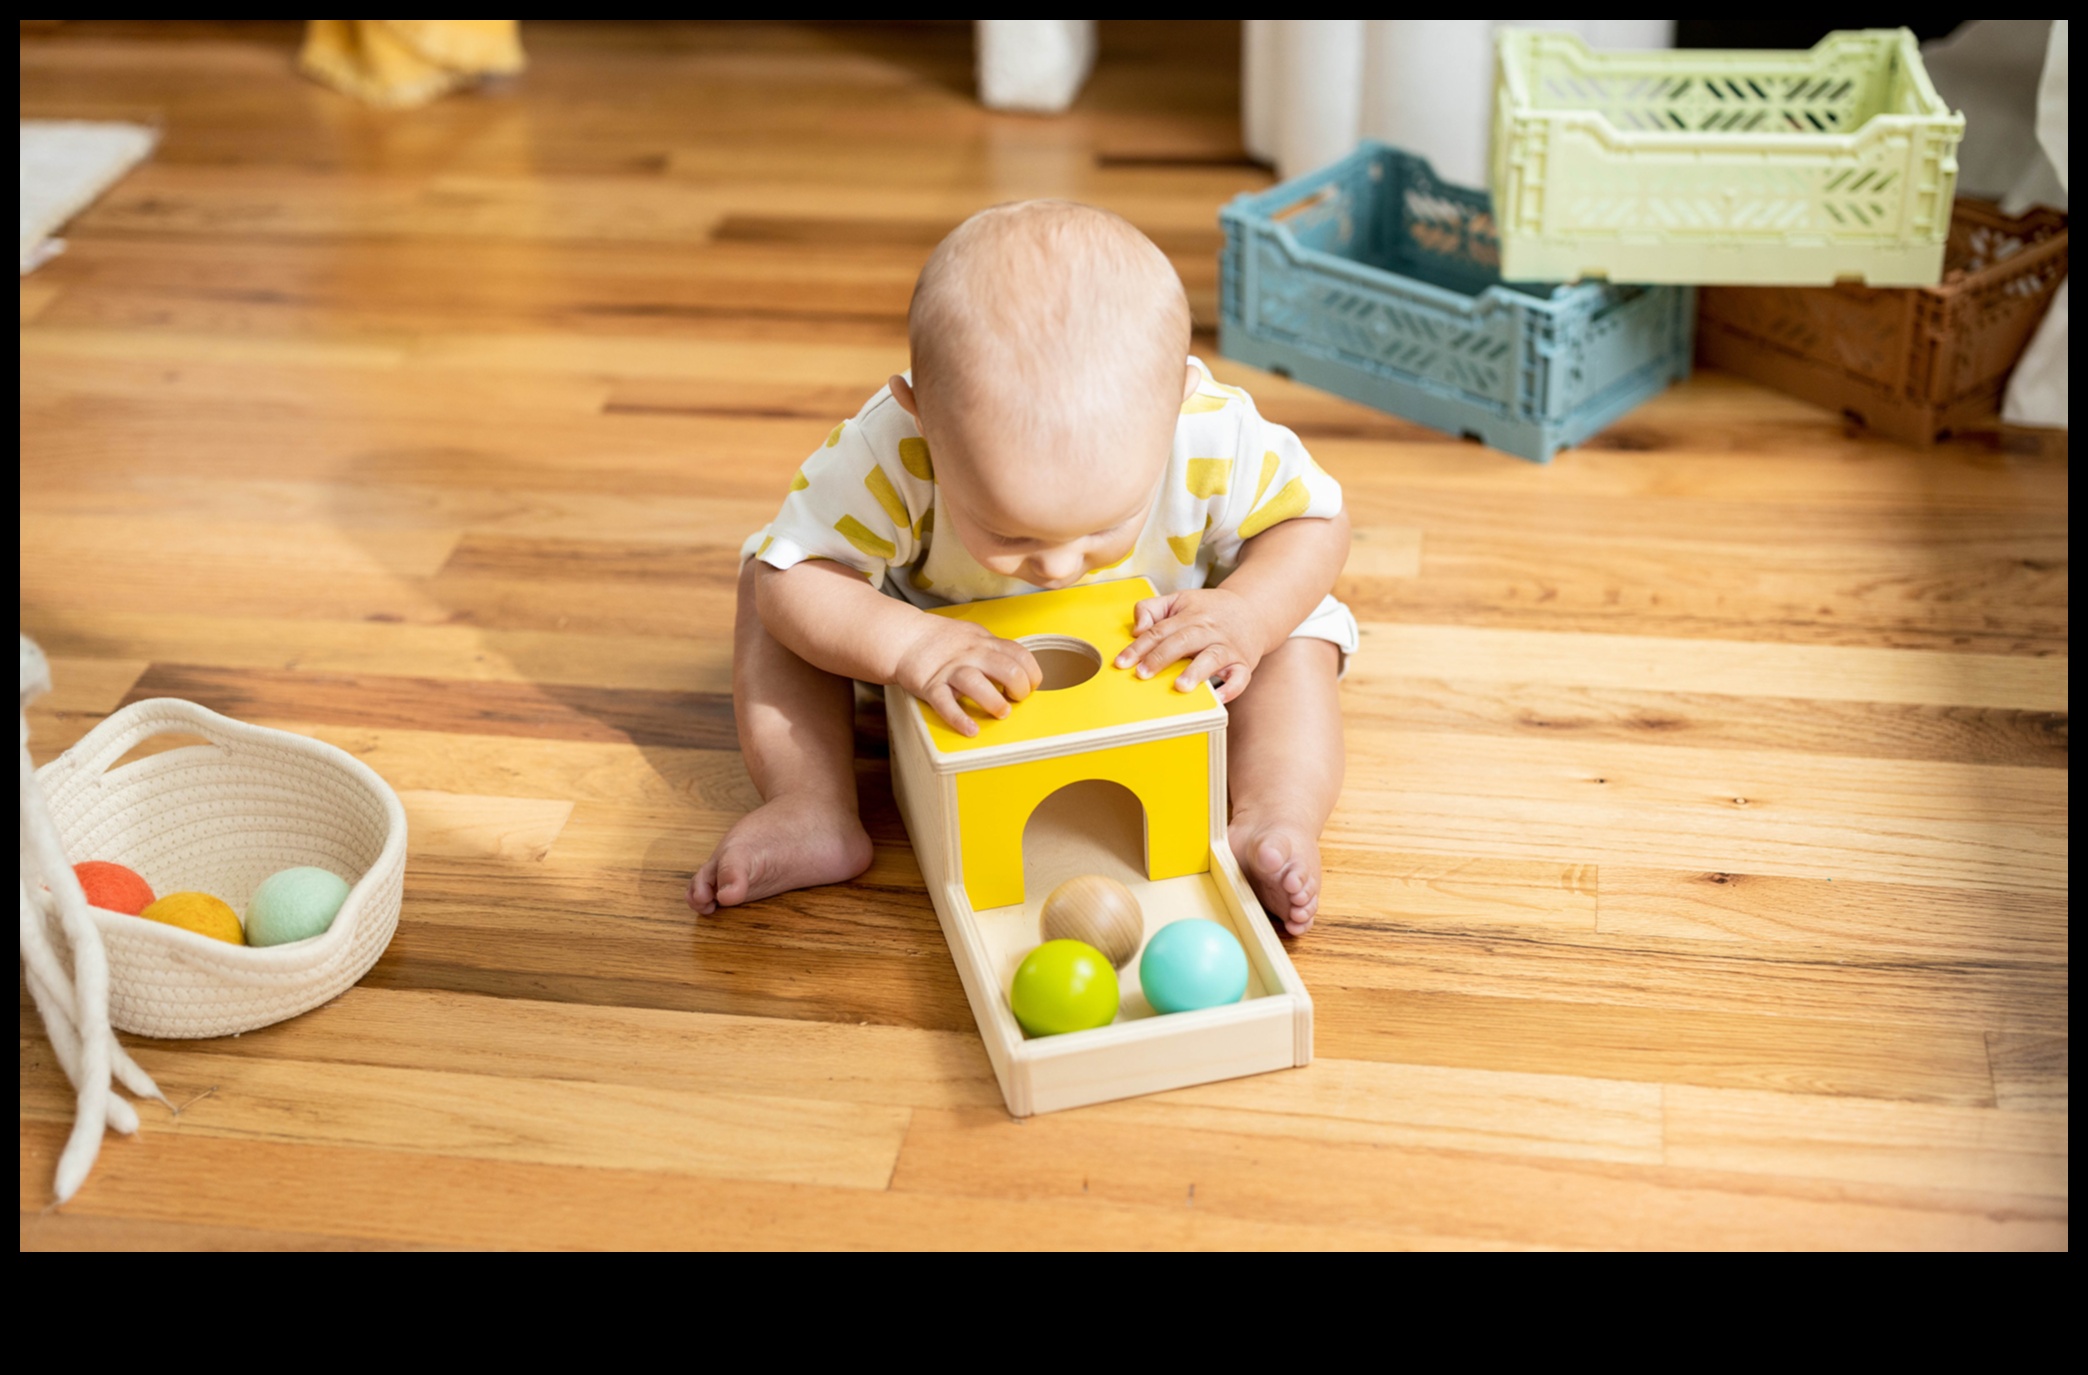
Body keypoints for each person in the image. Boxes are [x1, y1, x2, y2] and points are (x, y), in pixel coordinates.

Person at [690, 200, 1354, 936]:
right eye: (1008, 531)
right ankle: (809, 805)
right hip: (941, 665)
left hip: (1177, 655)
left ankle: (1274, 813)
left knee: (1301, 630)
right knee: (770, 581)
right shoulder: (888, 451)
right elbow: (798, 574)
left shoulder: (1211, 431)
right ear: (921, 419)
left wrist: (1248, 615)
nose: (1060, 567)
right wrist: (909, 645)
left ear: (1178, 402)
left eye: (1105, 525)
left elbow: (1315, 519)